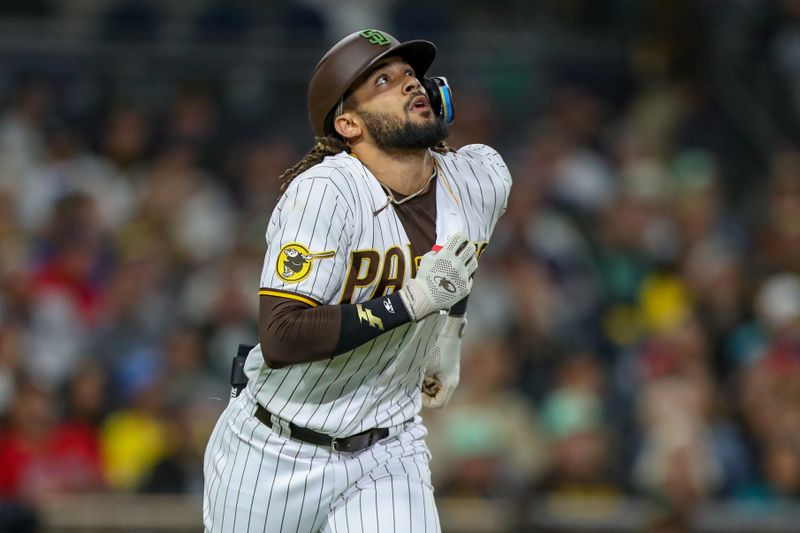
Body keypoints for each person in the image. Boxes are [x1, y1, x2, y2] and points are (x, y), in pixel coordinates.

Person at [202, 28, 512, 533]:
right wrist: (410, 302)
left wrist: (448, 334)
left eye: (412, 74)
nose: (411, 84)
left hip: (391, 446)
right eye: (384, 81)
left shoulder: (481, 179)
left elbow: (458, 262)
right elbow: (280, 335)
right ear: (348, 124)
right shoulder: (325, 193)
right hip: (277, 448)